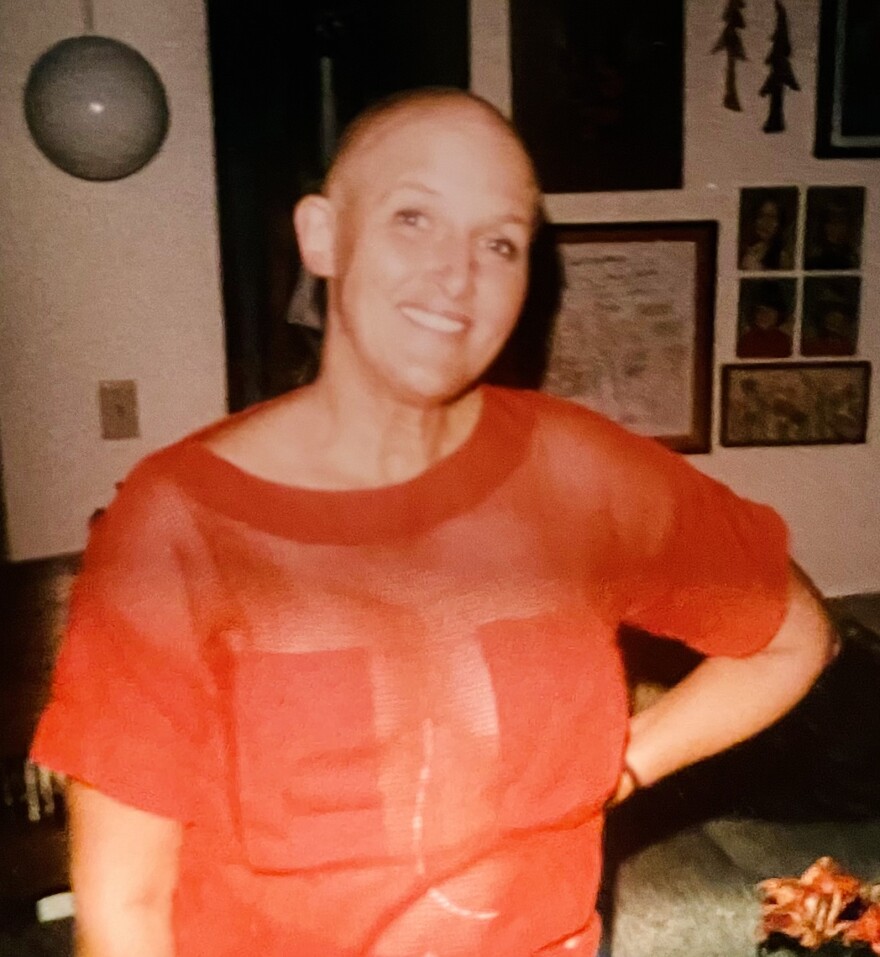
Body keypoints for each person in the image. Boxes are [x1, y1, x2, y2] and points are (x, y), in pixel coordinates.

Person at [31, 89, 835, 957]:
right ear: (322, 234)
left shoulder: (585, 475)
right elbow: (126, 910)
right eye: (414, 217)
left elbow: (794, 638)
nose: (458, 275)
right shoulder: (177, 522)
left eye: (499, 243)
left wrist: (624, 763)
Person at [736, 281, 793, 359]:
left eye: (770, 311)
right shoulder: (746, 341)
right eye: (760, 310)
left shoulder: (785, 341)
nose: (765, 315)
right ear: (753, 313)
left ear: (779, 314)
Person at [739, 195, 794, 271]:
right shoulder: (746, 249)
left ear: (780, 223)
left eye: (772, 217)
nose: (766, 223)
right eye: (761, 216)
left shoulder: (782, 257)